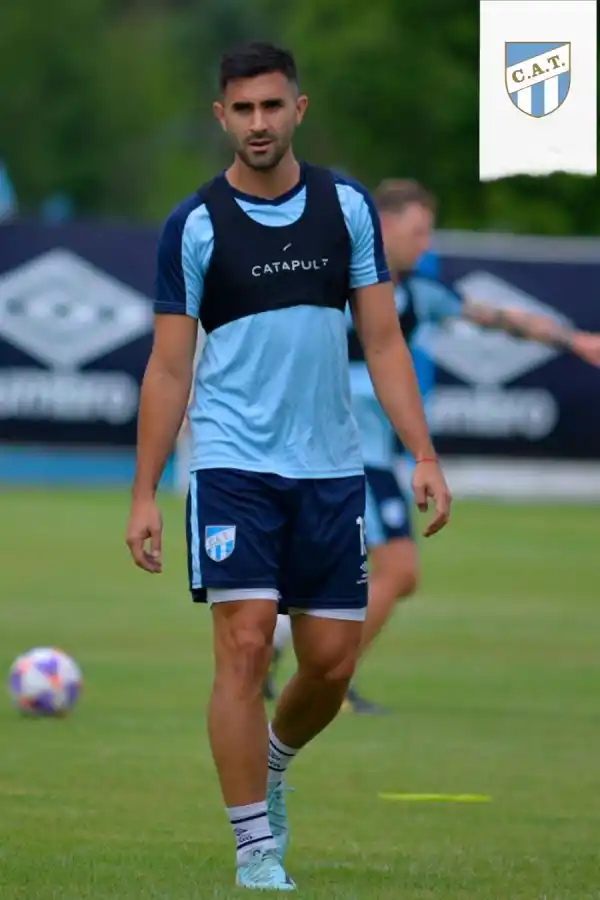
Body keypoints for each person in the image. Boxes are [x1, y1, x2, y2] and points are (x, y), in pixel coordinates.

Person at [125, 45, 451, 892]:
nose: (259, 123)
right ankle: (253, 847)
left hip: (331, 467)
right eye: (243, 109)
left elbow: (381, 340)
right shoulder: (193, 226)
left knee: (332, 662)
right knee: (241, 645)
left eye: (273, 107)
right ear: (221, 117)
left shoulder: (346, 208)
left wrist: (421, 452)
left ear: (298, 109)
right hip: (232, 461)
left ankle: (273, 763)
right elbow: (168, 368)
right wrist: (146, 492)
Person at [265, 177, 600, 713]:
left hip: (370, 457)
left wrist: (573, 340)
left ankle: (290, 654)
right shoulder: (330, 279)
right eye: (419, 233)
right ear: (385, 225)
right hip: (330, 455)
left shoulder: (419, 292)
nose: (426, 245)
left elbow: (497, 318)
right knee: (397, 569)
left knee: (360, 574)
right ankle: (323, 680)